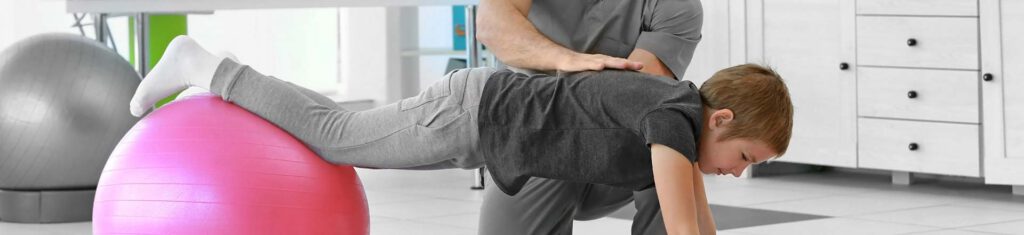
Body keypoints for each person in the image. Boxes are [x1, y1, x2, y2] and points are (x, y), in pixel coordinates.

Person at [128, 36, 792, 234]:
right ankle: (203, 65)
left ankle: (237, 81)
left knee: (341, 130)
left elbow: (698, 225)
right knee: (335, 137)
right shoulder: (674, 119)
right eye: (743, 158)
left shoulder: (677, 112)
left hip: (484, 120)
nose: (737, 172)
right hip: (475, 112)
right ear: (721, 119)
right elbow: (684, 228)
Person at [476, 0, 705, 233]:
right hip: (536, 137)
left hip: (615, 146)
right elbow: (490, 25)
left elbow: (638, 96)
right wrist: (564, 59)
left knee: (672, 136)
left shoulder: (677, 6)